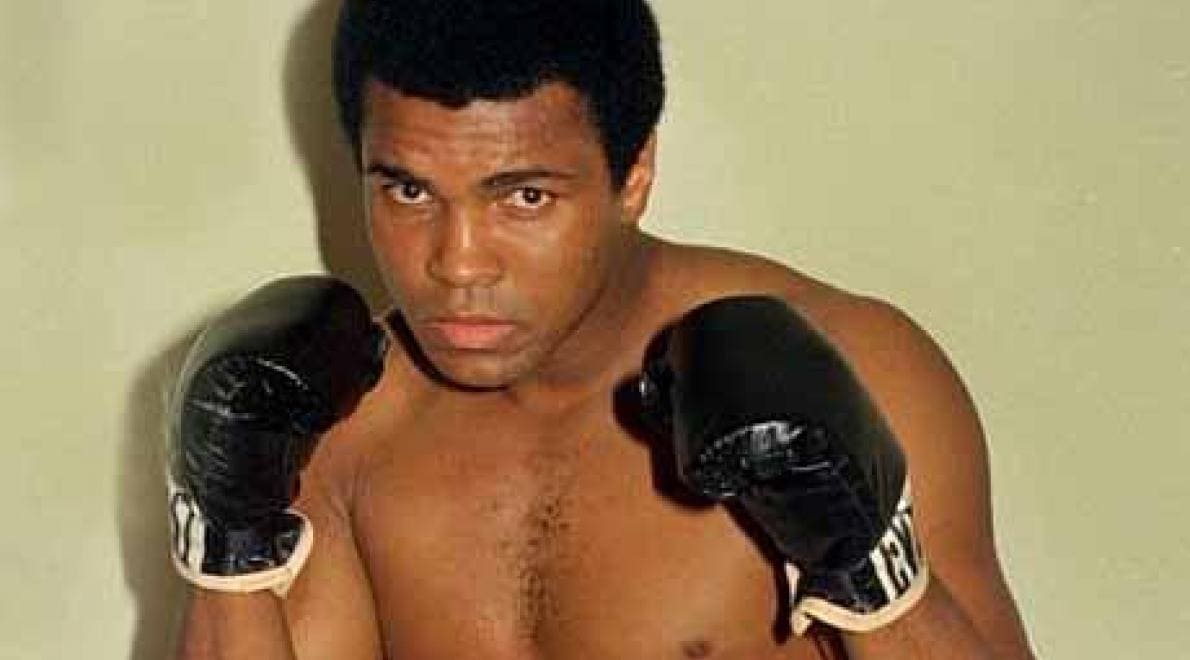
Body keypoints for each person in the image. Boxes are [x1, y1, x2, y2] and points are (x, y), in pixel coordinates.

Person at [170, 0, 1034, 657]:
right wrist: (226, 542)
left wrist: (871, 572)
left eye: (524, 196)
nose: (458, 265)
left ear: (635, 173)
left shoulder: (861, 368)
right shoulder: (343, 417)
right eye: (408, 191)